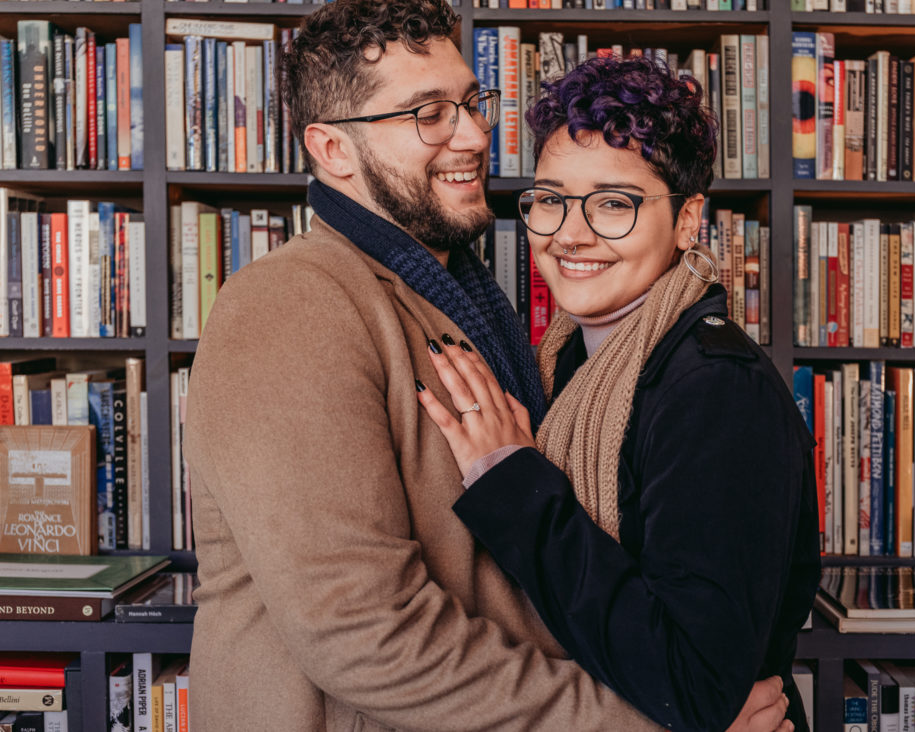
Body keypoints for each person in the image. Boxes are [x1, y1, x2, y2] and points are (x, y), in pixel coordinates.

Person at [183, 0, 799, 729]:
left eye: (473, 103)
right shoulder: (289, 305)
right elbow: (364, 635)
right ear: (333, 149)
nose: (475, 135)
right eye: (428, 113)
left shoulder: (470, 305)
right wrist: (653, 721)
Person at [417, 56, 821, 731]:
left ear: (688, 219)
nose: (570, 234)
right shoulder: (559, 361)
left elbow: (694, 685)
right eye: (550, 199)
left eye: (613, 203)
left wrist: (511, 479)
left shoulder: (717, 390)